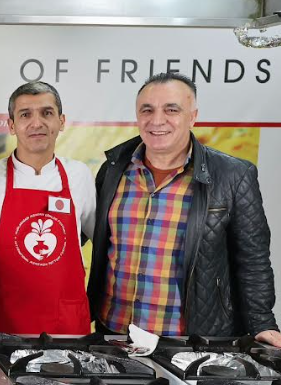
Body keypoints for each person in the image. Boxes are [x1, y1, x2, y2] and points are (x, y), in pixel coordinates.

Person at [87, 72, 281, 345]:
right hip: (114, 335)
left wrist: (261, 322)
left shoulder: (233, 175)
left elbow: (252, 259)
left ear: (192, 116)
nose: (157, 120)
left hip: (189, 342)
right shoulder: (112, 169)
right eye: (147, 110)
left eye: (171, 110)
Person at [0, 81, 96, 336]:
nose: (37, 123)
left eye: (47, 113)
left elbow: (104, 243)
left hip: (66, 325)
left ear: (61, 122)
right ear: (11, 125)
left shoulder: (79, 175)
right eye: (25, 115)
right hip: (1, 323)